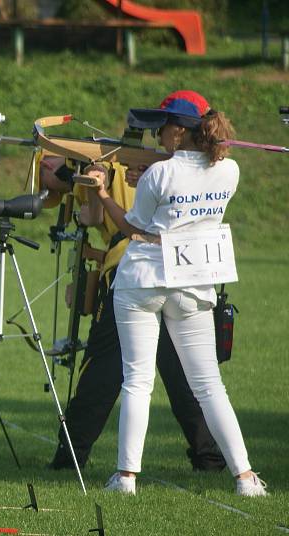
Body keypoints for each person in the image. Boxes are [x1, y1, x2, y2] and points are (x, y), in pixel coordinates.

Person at [93, 90, 266, 496]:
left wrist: (103, 193)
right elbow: (182, 189)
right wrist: (150, 175)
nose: (157, 134)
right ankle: (244, 477)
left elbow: (132, 227)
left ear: (178, 130)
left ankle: (126, 478)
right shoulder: (230, 171)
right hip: (193, 282)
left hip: (143, 279)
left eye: (163, 127)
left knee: (136, 381)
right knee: (209, 385)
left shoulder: (159, 174)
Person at [41, 157, 226, 473]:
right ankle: (209, 455)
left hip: (133, 273)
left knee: (104, 368)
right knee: (184, 371)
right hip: (182, 271)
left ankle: (71, 453)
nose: (47, 167)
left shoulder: (104, 166)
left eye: (49, 163)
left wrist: (84, 191)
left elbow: (100, 216)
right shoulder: (188, 169)